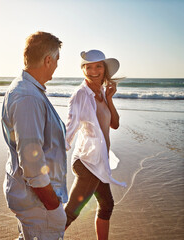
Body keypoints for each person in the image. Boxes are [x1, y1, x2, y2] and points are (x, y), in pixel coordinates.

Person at [1, 31, 68, 240]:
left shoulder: (27, 90)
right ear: (48, 60)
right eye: (57, 59)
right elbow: (32, 163)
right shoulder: (28, 97)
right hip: (38, 204)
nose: (57, 65)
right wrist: (53, 206)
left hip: (33, 200)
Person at [64, 50, 126, 240]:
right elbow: (69, 130)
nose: (93, 71)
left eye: (98, 66)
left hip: (100, 161)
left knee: (106, 205)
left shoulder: (101, 92)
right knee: (71, 213)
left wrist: (109, 99)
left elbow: (114, 124)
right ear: (83, 70)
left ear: (104, 69)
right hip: (87, 162)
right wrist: (50, 161)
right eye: (88, 67)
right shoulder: (80, 95)